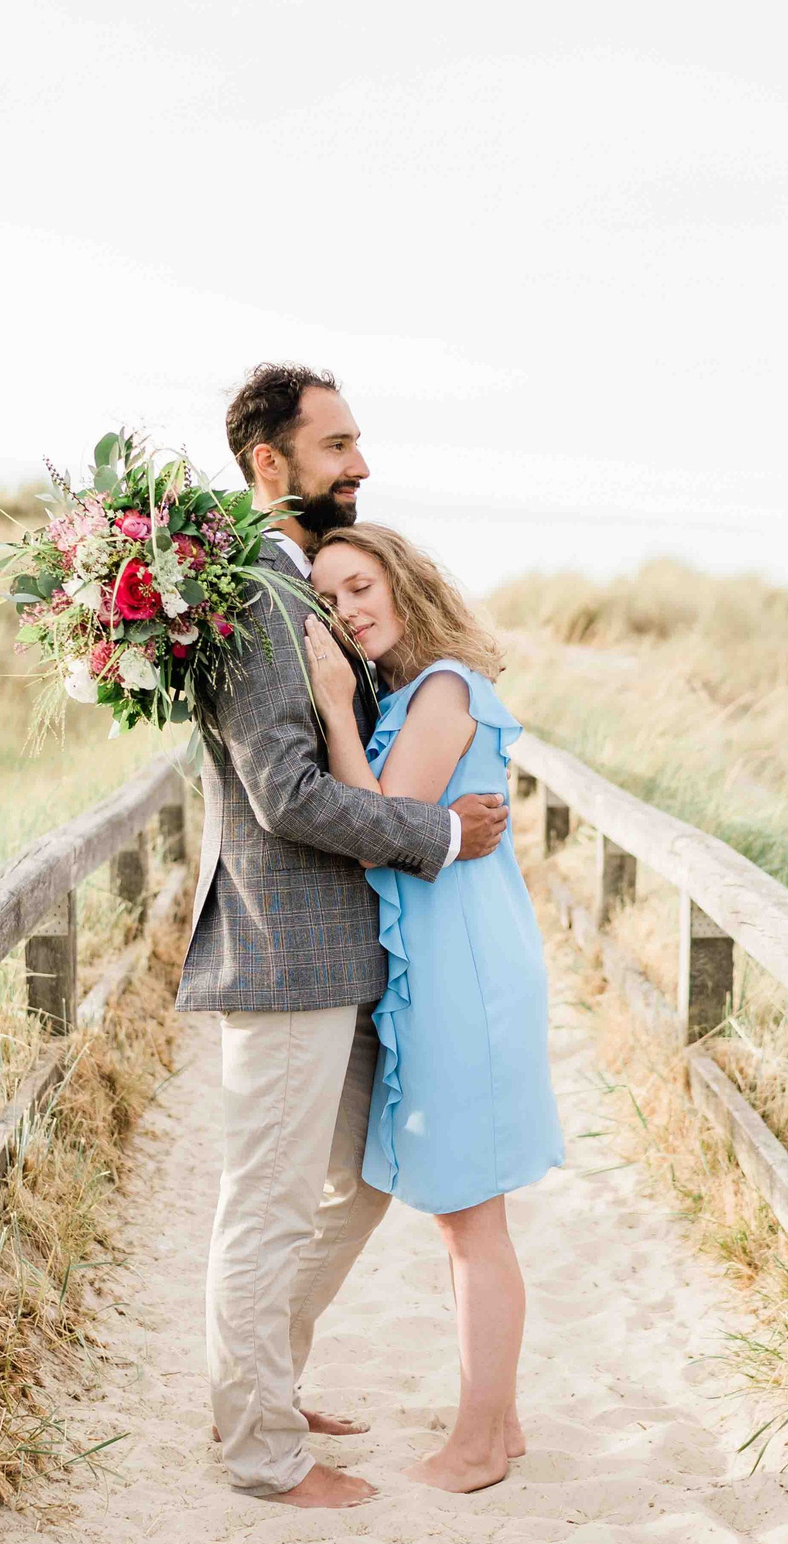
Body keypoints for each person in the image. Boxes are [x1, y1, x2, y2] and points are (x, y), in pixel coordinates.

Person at [180, 364, 510, 1509]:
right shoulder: (263, 600)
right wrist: (437, 835)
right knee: (267, 1206)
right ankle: (262, 1457)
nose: (359, 465)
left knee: (352, 1185)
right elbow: (285, 796)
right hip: (284, 954)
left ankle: (265, 1378)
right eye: (336, 446)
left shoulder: (293, 586)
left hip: (338, 951)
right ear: (269, 465)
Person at [298, 522, 562, 1494]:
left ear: (403, 582)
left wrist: (331, 706)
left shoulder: (444, 689)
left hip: (469, 974)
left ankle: (480, 1445)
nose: (347, 610)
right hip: (451, 965)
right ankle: (504, 1418)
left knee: (468, 1218)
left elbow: (379, 832)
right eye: (327, 600)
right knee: (467, 1209)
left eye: (360, 586)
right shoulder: (416, 695)